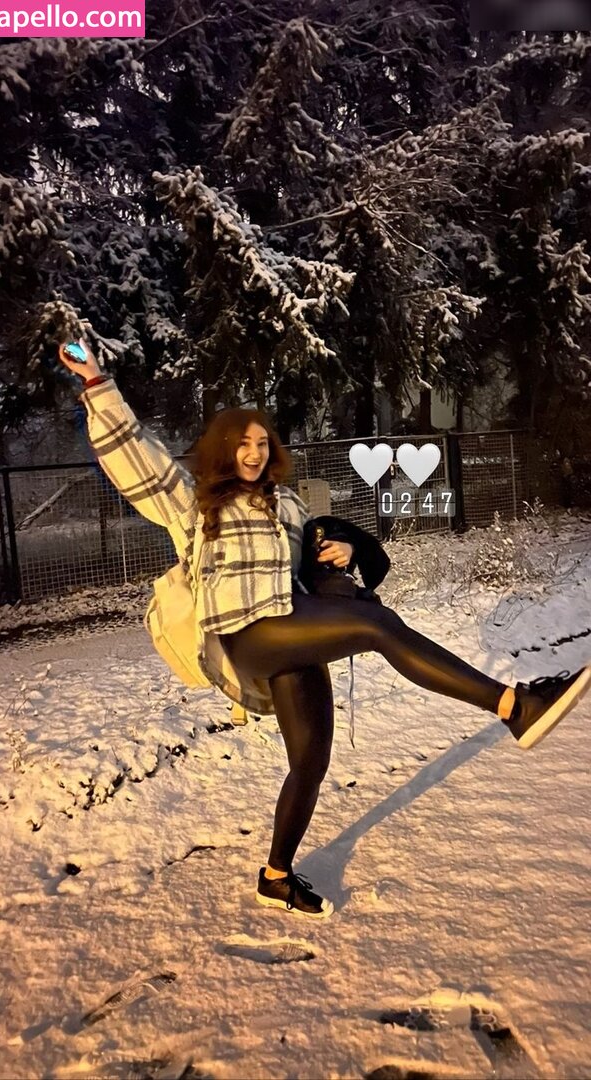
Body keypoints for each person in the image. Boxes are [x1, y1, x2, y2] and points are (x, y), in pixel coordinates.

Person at [58, 338, 591, 921]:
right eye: (242, 444)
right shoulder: (196, 503)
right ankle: (514, 706)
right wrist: (97, 384)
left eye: (262, 443)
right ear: (223, 450)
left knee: (310, 761)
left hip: (294, 632)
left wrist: (343, 551)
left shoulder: (287, 507)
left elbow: (316, 571)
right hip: (247, 632)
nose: (254, 453)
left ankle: (275, 875)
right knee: (377, 626)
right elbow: (135, 455)